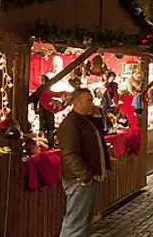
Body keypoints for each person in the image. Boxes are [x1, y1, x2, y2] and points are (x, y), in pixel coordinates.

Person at [57, 89, 111, 237]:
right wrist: (85, 175)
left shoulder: (84, 120)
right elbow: (70, 154)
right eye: (88, 101)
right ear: (76, 103)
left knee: (83, 222)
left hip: (85, 179)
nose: (92, 104)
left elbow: (101, 132)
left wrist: (96, 115)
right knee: (75, 224)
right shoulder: (70, 124)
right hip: (79, 181)